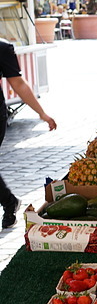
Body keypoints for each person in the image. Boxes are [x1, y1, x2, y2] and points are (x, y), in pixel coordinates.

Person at [0, 39, 57, 228]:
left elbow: (18, 83)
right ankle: (9, 201)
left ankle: (9, 203)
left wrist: (41, 113)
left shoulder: (2, 47)